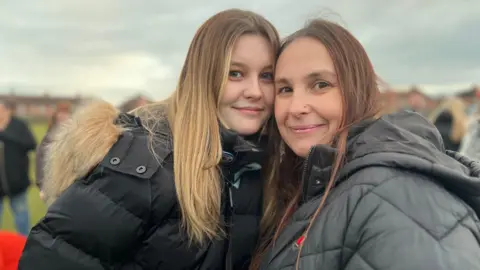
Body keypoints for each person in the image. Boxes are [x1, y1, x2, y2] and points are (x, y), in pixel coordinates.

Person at [19, 9, 280, 270]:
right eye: (235, 73)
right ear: (203, 77)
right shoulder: (146, 159)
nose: (256, 91)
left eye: (266, 76)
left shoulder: (261, 165)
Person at [251, 19, 480, 270]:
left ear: (357, 89)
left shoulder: (401, 195)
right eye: (285, 89)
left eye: (321, 85)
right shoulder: (314, 183)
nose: (296, 107)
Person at [0, 100, 36, 236]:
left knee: (22, 219)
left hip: (16, 183)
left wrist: (5, 135)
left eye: (1, 110)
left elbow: (31, 144)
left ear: (8, 111)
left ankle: (24, 246)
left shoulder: (19, 126)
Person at [35, 102, 72, 201]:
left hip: (74, 185)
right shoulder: (49, 137)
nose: (63, 117)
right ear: (56, 116)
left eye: (66, 114)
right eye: (61, 114)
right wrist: (42, 186)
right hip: (54, 187)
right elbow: (40, 159)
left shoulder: (78, 136)